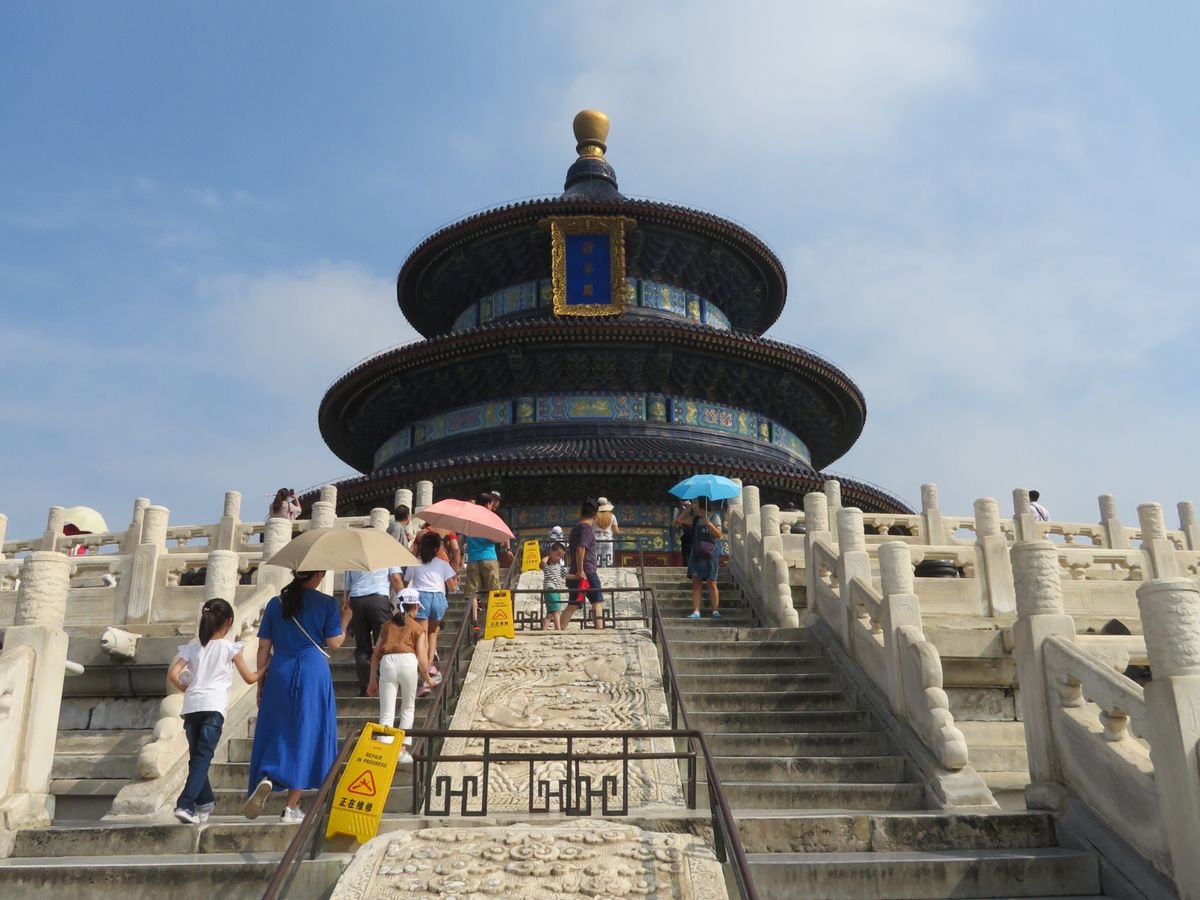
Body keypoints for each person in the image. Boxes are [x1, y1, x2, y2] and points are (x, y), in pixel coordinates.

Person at [246, 570, 350, 823]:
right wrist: (346, 618)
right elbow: (335, 643)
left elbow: (263, 646)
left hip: (280, 669)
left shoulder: (276, 603)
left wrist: (260, 683)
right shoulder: (326, 603)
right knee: (307, 733)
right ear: (318, 574)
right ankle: (291, 806)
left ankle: (268, 776)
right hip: (313, 672)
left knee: (278, 728)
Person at [168, 598, 262, 824]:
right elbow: (250, 678)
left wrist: (187, 688)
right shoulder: (230, 648)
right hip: (213, 707)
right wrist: (267, 667)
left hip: (192, 706)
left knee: (197, 759)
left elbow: (173, 674)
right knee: (201, 758)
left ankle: (205, 802)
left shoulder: (193, 648)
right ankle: (185, 803)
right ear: (229, 622)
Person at [368, 590, 434, 763]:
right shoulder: (417, 628)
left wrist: (372, 680)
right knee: (408, 707)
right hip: (408, 662)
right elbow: (422, 658)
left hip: (387, 662)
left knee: (386, 711)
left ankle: (383, 750)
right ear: (416, 606)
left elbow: (375, 654)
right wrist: (427, 678)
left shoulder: (387, 626)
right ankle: (401, 750)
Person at [406, 530, 459, 692]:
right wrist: (456, 575)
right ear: (437, 548)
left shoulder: (414, 562)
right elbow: (453, 587)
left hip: (420, 598)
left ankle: (424, 678)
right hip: (438, 598)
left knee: (421, 637)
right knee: (433, 634)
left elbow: (405, 582)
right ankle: (429, 666)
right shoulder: (443, 564)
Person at [342, 565, 404, 696]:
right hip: (378, 600)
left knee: (362, 647)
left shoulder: (353, 557)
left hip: (357, 601)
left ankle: (366, 687)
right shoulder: (387, 553)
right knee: (385, 644)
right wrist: (404, 600)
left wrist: (347, 607)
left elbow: (347, 591)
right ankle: (386, 684)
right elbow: (396, 578)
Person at [675, 496, 723, 619]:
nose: (694, 506)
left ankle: (715, 611)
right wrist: (690, 507)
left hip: (710, 554)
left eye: (695, 504)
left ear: (702, 505)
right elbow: (679, 520)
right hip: (696, 553)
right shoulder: (695, 519)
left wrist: (709, 524)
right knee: (696, 583)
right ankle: (696, 611)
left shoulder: (714, 517)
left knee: (712, 582)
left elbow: (718, 535)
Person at [561, 498, 604, 630]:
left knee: (573, 604)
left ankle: (559, 628)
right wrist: (581, 570)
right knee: (597, 602)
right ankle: (600, 631)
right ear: (595, 515)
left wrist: (576, 569)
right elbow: (581, 548)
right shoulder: (587, 529)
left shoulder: (575, 529)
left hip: (575, 570)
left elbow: (572, 550)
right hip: (587, 571)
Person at [463, 493, 501, 633]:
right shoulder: (489, 517)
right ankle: (492, 618)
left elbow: (464, 538)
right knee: (493, 589)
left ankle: (475, 621)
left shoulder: (469, 518)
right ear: (488, 504)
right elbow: (493, 539)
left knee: (473, 591)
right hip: (488, 557)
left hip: (473, 559)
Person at [541, 541, 568, 631]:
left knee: (550, 613)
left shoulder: (559, 566)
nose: (559, 558)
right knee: (556, 610)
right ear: (551, 551)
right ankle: (558, 629)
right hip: (550, 588)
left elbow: (566, 575)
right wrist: (548, 556)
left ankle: (544, 630)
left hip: (557, 589)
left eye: (561, 556)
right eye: (557, 555)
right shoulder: (547, 565)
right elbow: (542, 563)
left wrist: (577, 576)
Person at [594, 498, 620, 568]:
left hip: (595, 539)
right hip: (608, 539)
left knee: (595, 558)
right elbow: (616, 531)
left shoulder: (593, 515)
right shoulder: (612, 516)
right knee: (606, 560)